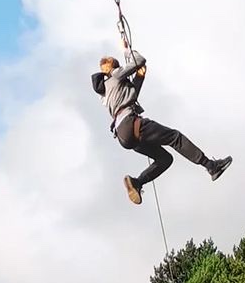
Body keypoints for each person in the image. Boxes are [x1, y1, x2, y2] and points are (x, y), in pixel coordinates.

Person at [91, 51, 231, 205]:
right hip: (131, 123)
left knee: (165, 159)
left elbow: (130, 96)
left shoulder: (104, 92)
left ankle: (137, 182)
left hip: (123, 135)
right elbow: (139, 60)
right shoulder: (116, 75)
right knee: (175, 138)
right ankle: (211, 166)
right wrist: (128, 51)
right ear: (115, 68)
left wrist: (140, 77)